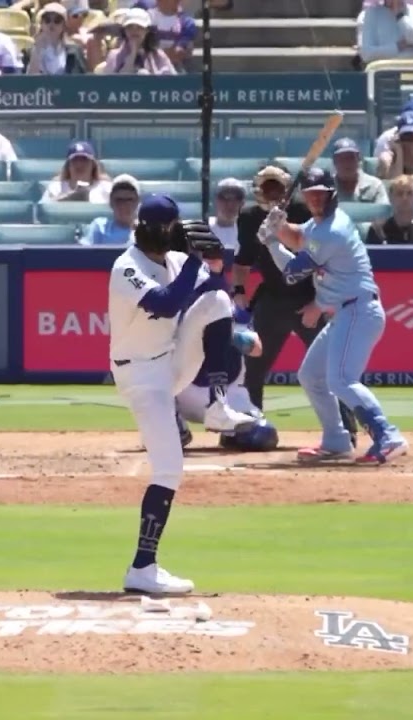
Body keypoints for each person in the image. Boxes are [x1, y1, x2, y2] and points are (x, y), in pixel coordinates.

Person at [108, 195, 258, 594]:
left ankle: (218, 406)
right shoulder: (127, 266)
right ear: (153, 230)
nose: (176, 236)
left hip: (170, 360)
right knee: (169, 469)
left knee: (218, 300)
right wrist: (193, 260)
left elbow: (215, 290)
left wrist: (214, 259)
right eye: (170, 229)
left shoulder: (171, 259)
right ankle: (142, 567)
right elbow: (165, 303)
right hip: (141, 377)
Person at [257, 168, 409, 464]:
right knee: (311, 375)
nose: (315, 200)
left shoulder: (333, 230)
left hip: (358, 309)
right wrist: (279, 226)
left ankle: (388, 435)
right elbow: (299, 237)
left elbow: (293, 273)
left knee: (341, 379)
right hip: (345, 312)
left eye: (320, 195)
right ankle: (336, 440)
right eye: (310, 195)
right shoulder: (319, 226)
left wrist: (272, 242)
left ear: (332, 195)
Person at [233, 165, 360, 446]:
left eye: (277, 187)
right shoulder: (250, 217)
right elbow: (242, 261)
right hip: (272, 298)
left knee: (331, 369)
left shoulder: (306, 216)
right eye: (267, 187)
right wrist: (239, 291)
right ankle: (250, 427)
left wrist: (318, 302)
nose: (273, 192)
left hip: (308, 298)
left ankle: (346, 430)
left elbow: (318, 263)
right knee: (252, 365)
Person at [175, 305, 280, 452]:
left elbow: (256, 349)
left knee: (263, 435)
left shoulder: (228, 310)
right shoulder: (173, 308)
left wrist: (219, 334)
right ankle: (176, 429)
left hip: (230, 398)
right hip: (183, 394)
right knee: (146, 380)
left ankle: (232, 435)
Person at [365, 175, 413, 244]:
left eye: (409, 193)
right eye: (399, 193)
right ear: (391, 197)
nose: (405, 198)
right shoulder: (379, 230)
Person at [97, 8, 175, 74]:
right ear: (124, 30)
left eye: (139, 27)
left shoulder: (158, 55)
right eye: (130, 27)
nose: (134, 31)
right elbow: (112, 84)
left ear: (147, 30)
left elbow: (174, 81)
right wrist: (132, 54)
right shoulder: (114, 56)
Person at [357, 0, 413, 66]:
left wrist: (399, 16)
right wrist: (398, 46)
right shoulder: (368, 15)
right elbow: (367, 54)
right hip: (384, 74)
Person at [42, 141, 113, 202]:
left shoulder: (106, 188)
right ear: (68, 165)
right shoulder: (56, 188)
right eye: (75, 160)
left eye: (84, 159)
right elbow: (43, 211)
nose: (79, 164)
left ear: (93, 164)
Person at [81, 174, 141, 245]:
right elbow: (84, 253)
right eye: (119, 200)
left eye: (129, 200)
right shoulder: (99, 227)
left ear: (137, 202)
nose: (123, 205)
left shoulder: (146, 232)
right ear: (111, 202)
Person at [25, 3, 80, 75]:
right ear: (41, 24)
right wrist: (37, 51)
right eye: (47, 20)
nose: (51, 24)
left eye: (57, 20)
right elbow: (28, 82)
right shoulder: (29, 52)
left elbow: (81, 81)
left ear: (64, 25)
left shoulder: (74, 52)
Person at [331, 138, 389, 204]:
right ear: (334, 162)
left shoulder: (374, 186)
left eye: (351, 158)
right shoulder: (327, 187)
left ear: (358, 159)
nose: (347, 163)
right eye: (342, 159)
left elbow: (382, 212)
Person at [208, 178, 245, 250]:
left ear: (242, 203)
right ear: (215, 201)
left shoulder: (248, 231)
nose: (230, 204)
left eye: (236, 199)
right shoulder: (203, 228)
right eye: (224, 198)